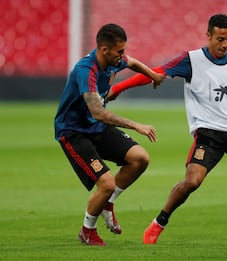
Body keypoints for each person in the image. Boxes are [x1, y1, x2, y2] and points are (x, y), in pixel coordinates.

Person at [108, 14, 227, 245]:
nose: (225, 44)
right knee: (192, 181)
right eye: (220, 39)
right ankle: (158, 223)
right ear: (208, 36)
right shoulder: (191, 60)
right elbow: (156, 72)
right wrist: (119, 87)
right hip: (208, 134)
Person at [54, 23, 165, 246]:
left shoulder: (113, 61)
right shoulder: (86, 71)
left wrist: (152, 74)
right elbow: (97, 111)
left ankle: (108, 203)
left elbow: (131, 62)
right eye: (119, 51)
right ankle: (87, 231)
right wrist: (136, 125)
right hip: (74, 132)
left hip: (96, 127)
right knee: (106, 183)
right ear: (105, 50)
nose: (123, 56)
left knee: (140, 159)